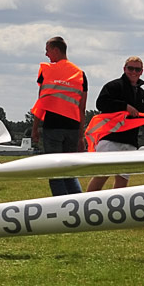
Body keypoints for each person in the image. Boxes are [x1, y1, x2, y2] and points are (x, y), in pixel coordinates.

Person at [30, 36, 87, 195]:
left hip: (53, 127)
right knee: (68, 171)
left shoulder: (47, 71)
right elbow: (82, 108)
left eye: (47, 50)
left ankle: (62, 206)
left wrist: (35, 128)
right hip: (73, 128)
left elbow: (41, 101)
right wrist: (80, 136)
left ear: (56, 50)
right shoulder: (80, 74)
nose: (46, 55)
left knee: (54, 170)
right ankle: (78, 204)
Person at [87, 56, 144, 192]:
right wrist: (125, 106)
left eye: (137, 69)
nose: (133, 72)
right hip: (110, 138)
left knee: (123, 180)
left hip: (130, 141)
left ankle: (116, 210)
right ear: (124, 69)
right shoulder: (113, 86)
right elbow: (101, 103)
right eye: (130, 68)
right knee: (101, 175)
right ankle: (86, 204)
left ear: (142, 71)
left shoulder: (142, 94)